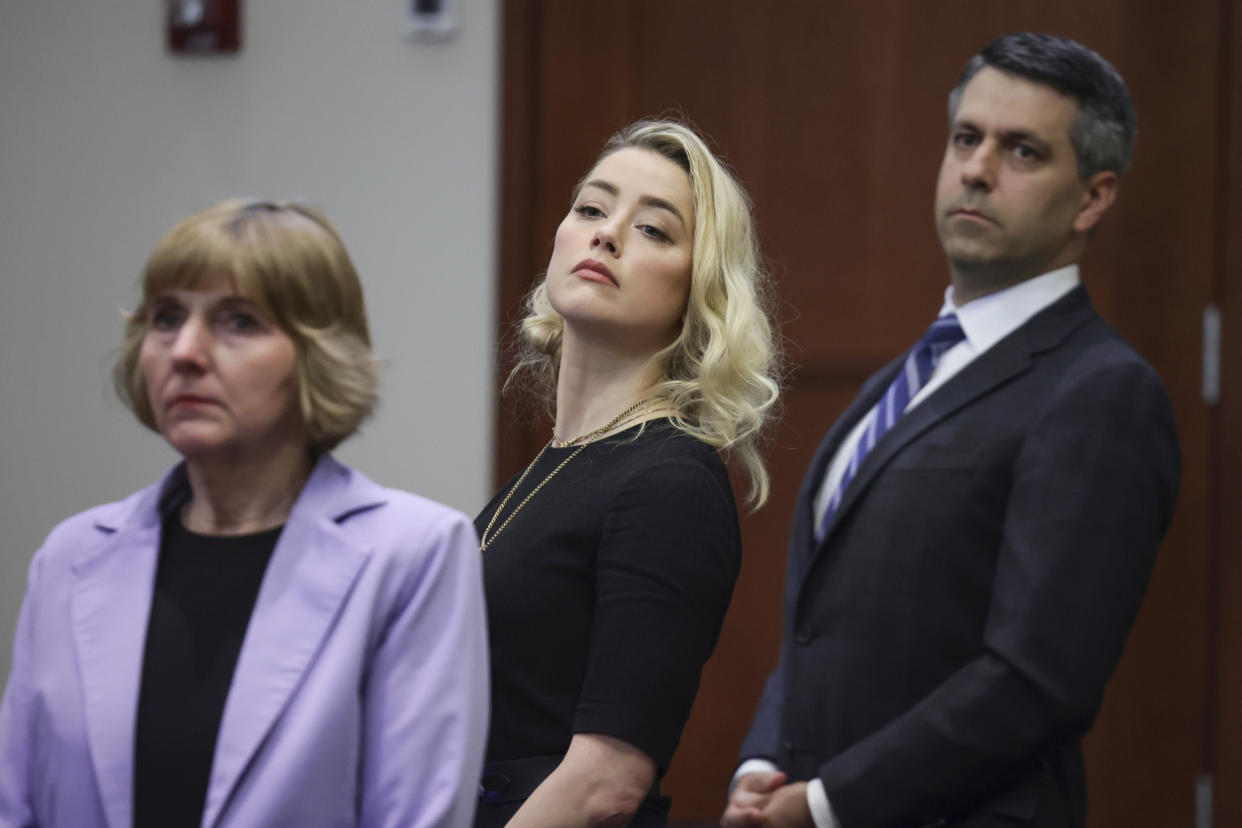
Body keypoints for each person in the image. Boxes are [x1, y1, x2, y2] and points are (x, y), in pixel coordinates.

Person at [722, 32, 1180, 828]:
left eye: (1023, 151)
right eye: (966, 138)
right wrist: (764, 763)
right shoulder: (899, 381)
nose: (976, 168)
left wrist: (828, 804)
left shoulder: (1103, 392)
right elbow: (817, 631)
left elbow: (1038, 681)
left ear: (1094, 197)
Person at [0, 199, 489, 828]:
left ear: (317, 355)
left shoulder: (414, 554)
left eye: (239, 322)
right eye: (166, 317)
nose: (186, 352)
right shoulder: (70, 557)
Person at [474, 119, 781, 827]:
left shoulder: (670, 481)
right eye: (591, 208)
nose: (606, 233)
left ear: (698, 291)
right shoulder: (553, 468)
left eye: (654, 230)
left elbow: (606, 783)